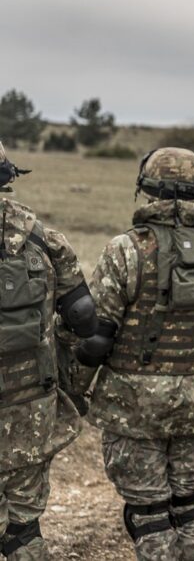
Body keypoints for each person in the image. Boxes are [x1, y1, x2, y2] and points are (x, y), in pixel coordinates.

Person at [75, 147, 194, 560]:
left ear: (148, 191)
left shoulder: (126, 249)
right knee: (189, 503)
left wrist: (75, 389)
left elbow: (97, 334)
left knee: (148, 511)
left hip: (132, 404)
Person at [0, 142, 94, 559]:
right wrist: (68, 390)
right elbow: (84, 325)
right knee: (24, 526)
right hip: (31, 407)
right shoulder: (43, 239)